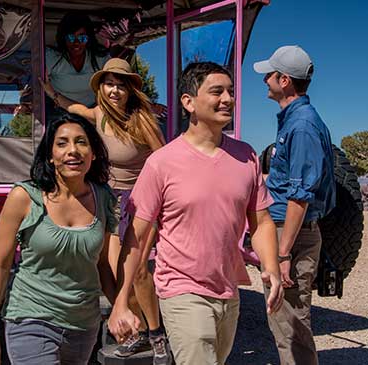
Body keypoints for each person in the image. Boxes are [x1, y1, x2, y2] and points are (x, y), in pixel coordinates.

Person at [108, 61, 284, 365]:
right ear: (188, 102)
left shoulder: (247, 156)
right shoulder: (161, 163)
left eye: (230, 92)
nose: (228, 99)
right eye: (217, 91)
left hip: (229, 291)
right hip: (181, 289)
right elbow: (135, 237)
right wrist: (121, 300)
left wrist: (272, 267)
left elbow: (262, 221)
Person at [44, 57, 171, 364]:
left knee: (138, 271)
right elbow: (70, 106)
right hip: (107, 201)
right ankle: (132, 328)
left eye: (121, 85)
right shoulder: (96, 115)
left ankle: (157, 335)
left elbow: (166, 159)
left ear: (129, 89)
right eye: (109, 84)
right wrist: (47, 89)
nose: (115, 90)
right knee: (111, 272)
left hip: (139, 202)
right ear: (101, 87)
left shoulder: (142, 120)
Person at [0, 114, 117, 365]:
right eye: (62, 143)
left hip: (83, 326)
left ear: (93, 153)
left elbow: (104, 265)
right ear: (50, 156)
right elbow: (0, 266)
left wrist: (119, 307)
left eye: (81, 142)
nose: (73, 151)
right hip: (31, 318)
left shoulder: (103, 197)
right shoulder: (24, 196)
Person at [254, 45, 336, 365]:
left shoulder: (301, 126)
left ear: (284, 80)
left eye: (269, 76)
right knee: (285, 319)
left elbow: (299, 196)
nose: (265, 81)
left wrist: (284, 253)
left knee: (290, 322)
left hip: (291, 235)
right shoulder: (295, 120)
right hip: (289, 232)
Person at [45, 12, 110, 122]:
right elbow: (40, 84)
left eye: (82, 38)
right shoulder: (51, 57)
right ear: (63, 38)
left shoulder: (101, 58)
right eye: (71, 37)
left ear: (89, 38)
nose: (76, 43)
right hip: (59, 111)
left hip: (93, 112)